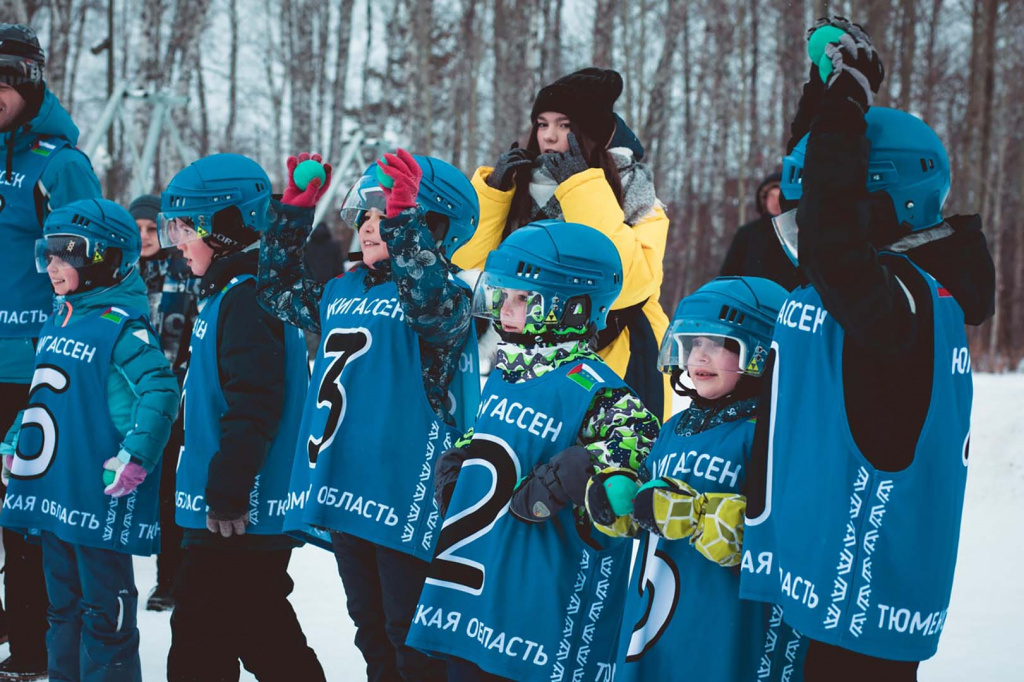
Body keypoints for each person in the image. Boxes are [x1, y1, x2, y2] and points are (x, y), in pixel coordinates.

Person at [739, 17, 995, 681]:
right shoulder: (877, 290)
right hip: (827, 589)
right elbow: (817, 199)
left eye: (824, 210)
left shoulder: (904, 299)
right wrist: (824, 94)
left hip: (864, 617)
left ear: (884, 202)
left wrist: (850, 96)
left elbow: (831, 233)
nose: (802, 236)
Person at [257, 149, 480, 681]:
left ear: (434, 228)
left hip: (404, 495)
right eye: (367, 214)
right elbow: (275, 292)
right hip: (345, 485)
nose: (372, 226)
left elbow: (428, 304)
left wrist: (406, 229)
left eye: (389, 214)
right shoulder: (340, 288)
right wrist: (293, 214)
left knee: (410, 636)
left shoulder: (447, 298)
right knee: (370, 628)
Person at [409, 221, 661, 681]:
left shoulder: (597, 388)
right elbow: (503, 435)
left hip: (538, 599)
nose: (506, 310)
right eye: (503, 295)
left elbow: (637, 444)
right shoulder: (510, 369)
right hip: (480, 576)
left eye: (524, 298)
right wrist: (465, 456)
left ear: (575, 305)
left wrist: (583, 469)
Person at [584, 276, 806, 681]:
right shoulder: (674, 428)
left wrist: (702, 515)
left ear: (760, 353)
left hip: (722, 631)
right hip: (654, 626)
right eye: (693, 343)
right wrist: (621, 505)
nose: (698, 356)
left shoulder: (769, 434)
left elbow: (788, 532)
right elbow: (651, 507)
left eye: (717, 344)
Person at [159, 153, 325, 682]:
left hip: (236, 513)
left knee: (207, 640)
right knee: (253, 628)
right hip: (228, 509)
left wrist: (228, 490)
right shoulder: (227, 294)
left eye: (186, 228)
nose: (177, 242)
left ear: (226, 228)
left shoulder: (249, 298)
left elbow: (255, 400)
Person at [0, 198, 178, 681]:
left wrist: (136, 455)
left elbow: (161, 390)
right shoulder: (59, 319)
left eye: (65, 253)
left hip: (98, 496)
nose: (52, 266)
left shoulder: (121, 327)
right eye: (47, 254)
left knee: (105, 611)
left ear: (104, 259)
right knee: (61, 607)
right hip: (56, 493)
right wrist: (15, 441)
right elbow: (44, 395)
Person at [450, 67, 672, 419]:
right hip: (522, 354)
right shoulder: (521, 184)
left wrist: (581, 187)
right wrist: (493, 195)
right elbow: (471, 264)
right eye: (542, 123)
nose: (549, 136)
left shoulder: (639, 196)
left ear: (589, 132)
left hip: (617, 355)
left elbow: (632, 283)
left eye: (564, 125)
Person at [0, 23, 103, 680]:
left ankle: (34, 652)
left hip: (29, 368)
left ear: (26, 81)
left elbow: (95, 264)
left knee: (24, 518)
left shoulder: (59, 163)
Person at [130, 193, 200, 612]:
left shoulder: (185, 271)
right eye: (136, 229)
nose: (144, 237)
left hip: (174, 399)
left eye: (150, 228)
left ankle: (168, 578)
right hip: (129, 398)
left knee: (166, 491)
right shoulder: (122, 275)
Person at [720, 172, 802, 290]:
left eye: (780, 197)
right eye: (771, 196)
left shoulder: (796, 234)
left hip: (787, 301)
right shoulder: (747, 233)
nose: (775, 202)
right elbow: (729, 274)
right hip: (751, 301)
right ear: (764, 199)